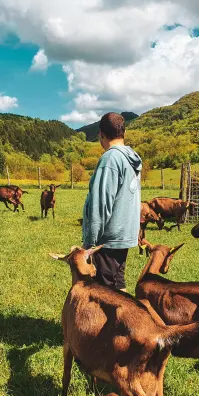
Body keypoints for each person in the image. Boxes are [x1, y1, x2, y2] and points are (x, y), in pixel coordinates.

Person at [82, 112, 142, 292]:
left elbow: (101, 204)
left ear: (101, 134)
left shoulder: (111, 159)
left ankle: (124, 321)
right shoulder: (131, 158)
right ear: (123, 132)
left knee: (106, 293)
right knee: (117, 284)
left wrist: (90, 243)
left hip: (107, 239)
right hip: (123, 236)